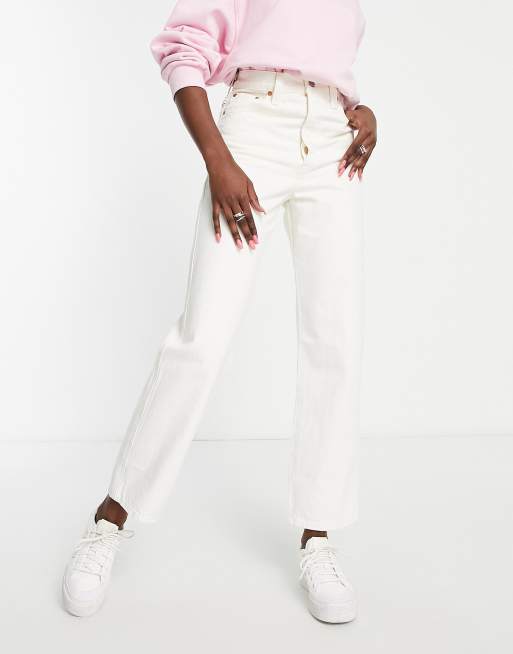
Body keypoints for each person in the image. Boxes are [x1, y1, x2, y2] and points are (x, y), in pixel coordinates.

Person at [62, 0, 377, 624]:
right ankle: (110, 519)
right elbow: (183, 51)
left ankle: (318, 536)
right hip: (253, 133)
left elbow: (323, 57)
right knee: (201, 339)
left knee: (334, 341)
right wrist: (218, 157)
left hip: (332, 146)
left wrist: (358, 106)